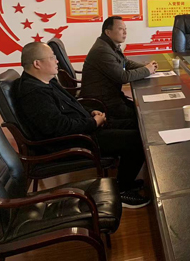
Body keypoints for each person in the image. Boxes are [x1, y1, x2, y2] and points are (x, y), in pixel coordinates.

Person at [15, 42, 150, 208]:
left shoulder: (47, 81)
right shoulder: (34, 93)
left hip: (84, 129)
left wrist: (91, 112)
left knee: (139, 124)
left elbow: (72, 103)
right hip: (73, 141)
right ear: (37, 63)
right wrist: (92, 123)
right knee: (137, 140)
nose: (57, 61)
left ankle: (126, 180)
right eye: (52, 58)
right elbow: (59, 128)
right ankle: (122, 191)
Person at [81, 16, 157, 120]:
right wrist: (147, 70)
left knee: (142, 109)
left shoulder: (110, 45)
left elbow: (126, 63)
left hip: (112, 96)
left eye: (125, 29)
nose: (125, 32)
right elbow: (123, 77)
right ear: (108, 32)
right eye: (121, 29)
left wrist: (146, 67)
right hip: (102, 102)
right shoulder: (102, 50)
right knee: (143, 117)